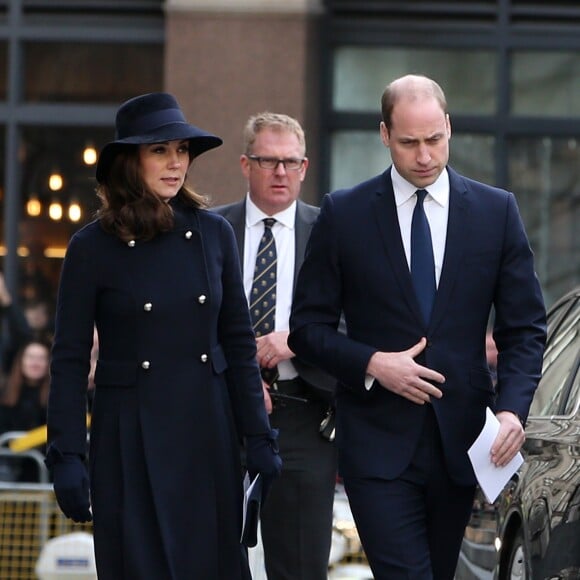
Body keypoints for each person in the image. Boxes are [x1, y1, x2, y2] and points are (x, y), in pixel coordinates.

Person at [288, 74, 547, 580]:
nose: (424, 155)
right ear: (385, 135)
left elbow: (525, 326)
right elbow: (306, 329)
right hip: (376, 445)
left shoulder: (497, 212)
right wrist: (372, 363)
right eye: (409, 142)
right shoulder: (346, 213)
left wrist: (514, 408)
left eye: (435, 139)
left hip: (463, 443)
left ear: (449, 128)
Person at [44, 92, 282, 580]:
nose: (176, 163)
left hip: (207, 433)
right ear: (129, 161)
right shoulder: (91, 247)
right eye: (160, 151)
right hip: (129, 438)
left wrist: (257, 434)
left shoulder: (214, 234)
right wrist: (66, 454)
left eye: (182, 151)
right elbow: (68, 359)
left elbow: (238, 343)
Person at [213, 112, 337, 580]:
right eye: (268, 161)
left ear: (305, 168)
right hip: (221, 415)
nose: (280, 172)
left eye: (291, 162)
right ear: (246, 164)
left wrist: (297, 341)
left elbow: (356, 323)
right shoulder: (210, 230)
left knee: (300, 565)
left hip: (303, 415)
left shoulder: (332, 232)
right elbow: (195, 322)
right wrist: (241, 372)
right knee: (212, 558)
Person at [0, 339, 51, 481]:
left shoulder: (56, 396)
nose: (35, 363)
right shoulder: (4, 392)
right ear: (21, 361)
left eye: (41, 358)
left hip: (46, 471)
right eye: (31, 357)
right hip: (10, 469)